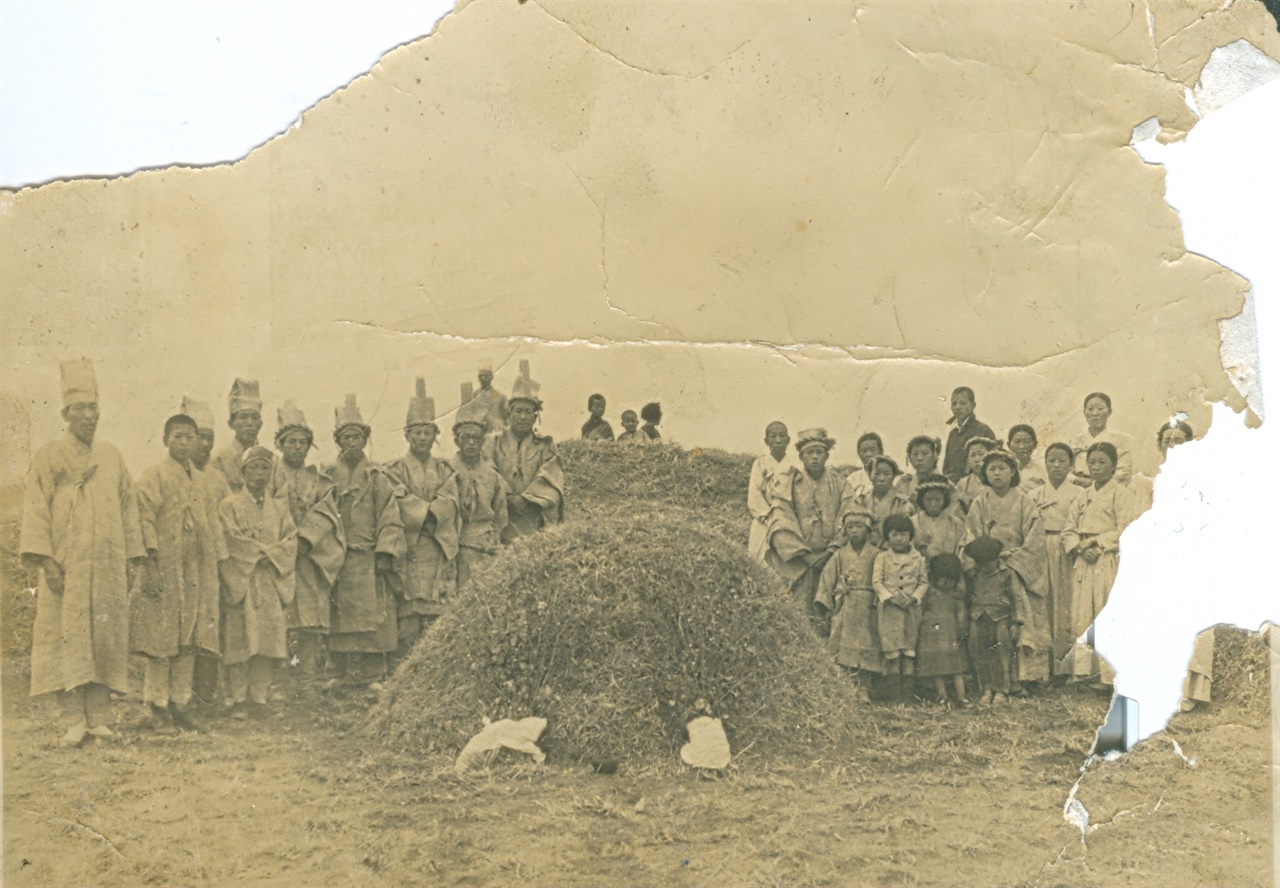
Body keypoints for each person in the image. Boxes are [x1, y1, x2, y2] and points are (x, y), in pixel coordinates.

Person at [20, 359, 147, 747]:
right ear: (65, 414)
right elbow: (36, 509)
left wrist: (132, 558)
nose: (89, 416)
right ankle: (74, 720)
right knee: (66, 638)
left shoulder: (111, 457)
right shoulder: (49, 456)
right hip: (67, 567)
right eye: (80, 409)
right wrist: (46, 561)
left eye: (93, 408)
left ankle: (101, 718)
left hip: (106, 566)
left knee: (105, 637)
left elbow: (128, 508)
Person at [299, 395, 406, 689]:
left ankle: (373, 673)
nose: (351, 443)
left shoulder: (377, 477)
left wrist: (386, 548)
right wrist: (312, 540)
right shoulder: (329, 477)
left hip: (368, 555)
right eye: (345, 437)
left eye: (357, 437)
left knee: (374, 615)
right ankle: (339, 670)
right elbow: (319, 509)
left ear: (365, 440)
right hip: (338, 556)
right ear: (338, 442)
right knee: (339, 614)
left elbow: (390, 513)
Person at [131, 413, 227, 733]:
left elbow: (213, 524)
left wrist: (218, 567)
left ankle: (180, 703)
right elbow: (143, 519)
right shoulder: (154, 476)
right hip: (165, 568)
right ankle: (156, 706)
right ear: (165, 440)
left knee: (189, 639)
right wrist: (151, 564)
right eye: (178, 436)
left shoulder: (202, 481)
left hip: (196, 570)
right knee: (162, 639)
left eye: (190, 437)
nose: (184, 443)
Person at [218, 447, 296, 720]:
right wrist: (259, 555)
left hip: (269, 580)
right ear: (243, 473)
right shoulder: (229, 506)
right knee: (240, 639)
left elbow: (289, 540)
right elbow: (230, 538)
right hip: (242, 579)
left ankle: (258, 698)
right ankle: (238, 698)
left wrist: (270, 557)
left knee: (265, 640)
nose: (259, 474)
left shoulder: (279, 508)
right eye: (254, 468)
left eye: (265, 468)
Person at [385, 379, 461, 656]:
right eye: (416, 433)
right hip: (411, 544)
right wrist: (425, 515)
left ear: (434, 435)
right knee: (409, 610)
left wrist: (434, 518)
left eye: (427, 432)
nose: (422, 438)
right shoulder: (394, 469)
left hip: (436, 542)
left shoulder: (444, 469)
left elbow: (451, 497)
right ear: (407, 435)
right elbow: (397, 496)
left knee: (436, 609)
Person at [963, 449, 1049, 692]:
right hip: (988, 568)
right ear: (984, 474)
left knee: (1022, 623)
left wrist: (1013, 562)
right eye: (991, 469)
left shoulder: (1024, 502)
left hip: (1017, 567)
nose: (997, 473)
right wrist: (984, 559)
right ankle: (994, 681)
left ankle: (1026, 678)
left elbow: (1034, 539)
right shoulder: (979, 503)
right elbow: (970, 534)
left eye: (1002, 468)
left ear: (1013, 472)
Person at [1062, 442, 1140, 685]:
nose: (1095, 468)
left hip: (1107, 559)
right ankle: (1083, 672)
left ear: (1114, 466)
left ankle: (1109, 676)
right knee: (1083, 613)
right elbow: (1068, 530)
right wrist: (1079, 547)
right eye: (1092, 462)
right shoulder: (1083, 496)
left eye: (1102, 463)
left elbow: (1127, 528)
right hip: (1084, 560)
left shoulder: (1122, 494)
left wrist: (1097, 543)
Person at [764, 428, 858, 624]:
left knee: (833, 612)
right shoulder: (788, 483)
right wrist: (805, 556)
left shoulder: (841, 485)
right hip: (799, 560)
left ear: (826, 456)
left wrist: (830, 552)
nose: (815, 457)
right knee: (799, 614)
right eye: (809, 453)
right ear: (801, 456)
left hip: (833, 557)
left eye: (819, 453)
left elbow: (850, 518)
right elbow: (780, 518)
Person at [269, 401, 335, 679]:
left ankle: (306, 673)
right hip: (279, 556)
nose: (297, 447)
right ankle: (280, 675)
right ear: (281, 445)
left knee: (308, 618)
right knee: (281, 617)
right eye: (291, 442)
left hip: (308, 557)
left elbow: (326, 510)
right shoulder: (270, 476)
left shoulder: (317, 479)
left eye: (302, 442)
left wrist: (307, 539)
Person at [181, 395, 227, 707]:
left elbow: (225, 521)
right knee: (181, 629)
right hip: (181, 565)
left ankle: (205, 697)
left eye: (210, 438)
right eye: (199, 437)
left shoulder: (218, 479)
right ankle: (177, 695)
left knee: (208, 628)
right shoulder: (169, 474)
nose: (204, 444)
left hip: (210, 565)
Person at [486, 365, 564, 542]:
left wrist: (528, 498)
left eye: (528, 412)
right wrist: (507, 495)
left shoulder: (545, 445)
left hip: (533, 513)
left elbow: (550, 475)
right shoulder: (493, 442)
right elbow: (488, 470)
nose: (523, 417)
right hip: (501, 511)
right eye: (518, 411)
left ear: (535, 417)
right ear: (509, 413)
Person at [813, 509, 882, 702]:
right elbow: (827, 580)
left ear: (868, 531)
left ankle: (864, 688)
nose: (854, 531)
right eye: (850, 527)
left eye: (859, 526)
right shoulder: (839, 555)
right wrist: (826, 606)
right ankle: (844, 687)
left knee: (867, 646)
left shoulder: (877, 554)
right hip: (846, 605)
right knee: (843, 647)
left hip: (869, 606)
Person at [1029, 442, 1083, 678]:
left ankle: (1065, 666)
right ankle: (1044, 667)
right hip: (1041, 547)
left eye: (1062, 460)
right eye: (1052, 460)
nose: (1057, 465)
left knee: (1066, 604)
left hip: (1067, 549)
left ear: (1071, 464)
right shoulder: (1035, 494)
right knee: (1044, 603)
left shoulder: (1079, 494)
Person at [450, 391, 509, 591]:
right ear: (457, 441)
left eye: (476, 438)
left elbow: (501, 513)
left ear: (483, 441)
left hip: (487, 545)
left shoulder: (492, 475)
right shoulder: (448, 471)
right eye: (466, 438)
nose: (471, 443)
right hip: (459, 545)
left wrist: (493, 538)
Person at [964, 536, 1029, 706]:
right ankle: (986, 689)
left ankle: (1001, 690)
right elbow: (968, 595)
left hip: (1000, 618)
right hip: (978, 617)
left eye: (987, 563)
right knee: (980, 652)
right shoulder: (973, 575)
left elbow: (1016, 598)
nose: (983, 567)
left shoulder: (1006, 574)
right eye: (979, 563)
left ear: (996, 559)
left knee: (1002, 654)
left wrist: (1016, 622)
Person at [873, 514, 929, 705]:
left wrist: (914, 598)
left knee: (908, 651)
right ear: (888, 537)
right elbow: (877, 581)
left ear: (910, 537)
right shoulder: (882, 557)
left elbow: (923, 582)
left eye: (903, 535)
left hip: (910, 611)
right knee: (892, 652)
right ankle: (894, 697)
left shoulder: (919, 559)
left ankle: (908, 696)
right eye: (894, 534)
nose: (899, 539)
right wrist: (889, 598)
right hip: (889, 611)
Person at [916, 554, 969, 707]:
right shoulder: (929, 593)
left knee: (956, 669)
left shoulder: (956, 597)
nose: (946, 582)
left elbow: (961, 616)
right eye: (942, 578)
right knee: (936, 669)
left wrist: (961, 629)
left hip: (951, 637)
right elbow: (921, 610)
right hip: (931, 637)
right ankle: (942, 696)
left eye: (951, 579)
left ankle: (962, 696)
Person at [747, 421, 797, 563]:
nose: (778, 440)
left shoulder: (795, 465)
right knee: (760, 559)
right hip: (765, 520)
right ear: (766, 440)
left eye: (782, 436)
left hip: (787, 520)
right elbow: (755, 494)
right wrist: (767, 516)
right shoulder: (760, 463)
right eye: (773, 436)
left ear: (788, 440)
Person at [209, 378, 264, 495]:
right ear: (231, 424)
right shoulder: (218, 459)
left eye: (254, 418)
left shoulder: (270, 460)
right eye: (243, 417)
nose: (250, 423)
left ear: (260, 424)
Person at [1069, 392, 1134, 488]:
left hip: (1107, 490)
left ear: (1109, 412)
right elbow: (1064, 470)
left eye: (1100, 408)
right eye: (1090, 409)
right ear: (1084, 412)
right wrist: (1077, 480)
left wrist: (1099, 486)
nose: (1095, 413)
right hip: (1077, 488)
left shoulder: (1119, 440)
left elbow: (1124, 472)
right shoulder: (1075, 441)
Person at [856, 455, 914, 547]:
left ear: (893, 476)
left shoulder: (902, 503)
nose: (881, 479)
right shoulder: (861, 501)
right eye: (877, 473)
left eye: (887, 474)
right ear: (870, 476)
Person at [942, 387, 996, 482]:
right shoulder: (953, 433)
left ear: (973, 405)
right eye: (954, 403)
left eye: (963, 403)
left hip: (975, 483)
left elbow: (991, 463)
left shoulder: (982, 429)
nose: (958, 407)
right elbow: (947, 465)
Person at [912, 475, 965, 561]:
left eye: (938, 500)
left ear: (945, 500)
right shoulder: (913, 522)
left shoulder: (956, 523)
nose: (933, 504)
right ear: (922, 500)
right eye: (928, 500)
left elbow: (962, 551)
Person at [953, 436, 998, 514]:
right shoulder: (962, 485)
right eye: (972, 455)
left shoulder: (999, 480)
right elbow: (958, 514)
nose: (976, 459)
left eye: (981, 454)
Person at [894, 435, 943, 503]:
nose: (919, 458)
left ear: (935, 456)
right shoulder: (903, 485)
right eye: (915, 454)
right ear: (910, 458)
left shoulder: (945, 485)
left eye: (925, 453)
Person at [474, 360, 510, 434]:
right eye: (481, 376)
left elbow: (507, 415)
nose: (483, 378)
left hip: (497, 431)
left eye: (486, 375)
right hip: (479, 431)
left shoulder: (498, 395)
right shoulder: (474, 395)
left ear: (491, 377)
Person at [1007, 424, 1047, 490]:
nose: (1022, 446)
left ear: (1035, 444)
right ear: (1009, 445)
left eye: (1027, 441)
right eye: (1017, 442)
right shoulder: (1002, 470)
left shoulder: (1044, 471)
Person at [847, 432, 884, 499]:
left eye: (873, 450)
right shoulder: (852, 479)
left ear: (881, 452)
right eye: (864, 451)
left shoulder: (892, 477)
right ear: (858, 454)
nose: (868, 454)